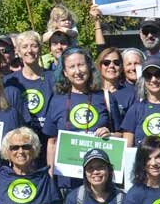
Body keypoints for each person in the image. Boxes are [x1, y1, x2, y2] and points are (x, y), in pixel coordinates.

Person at [44, 48, 116, 196]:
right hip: (66, 181)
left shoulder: (105, 97)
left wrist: (111, 134)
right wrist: (51, 174)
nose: (77, 71)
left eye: (81, 65)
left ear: (89, 67)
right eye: (71, 67)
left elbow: (122, 136)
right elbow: (51, 142)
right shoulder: (57, 100)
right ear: (64, 72)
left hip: (100, 181)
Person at [3, 31, 52, 128]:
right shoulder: (10, 81)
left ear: (40, 49)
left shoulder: (53, 78)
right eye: (24, 47)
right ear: (18, 52)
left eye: (34, 46)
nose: (29, 50)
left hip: (47, 137)